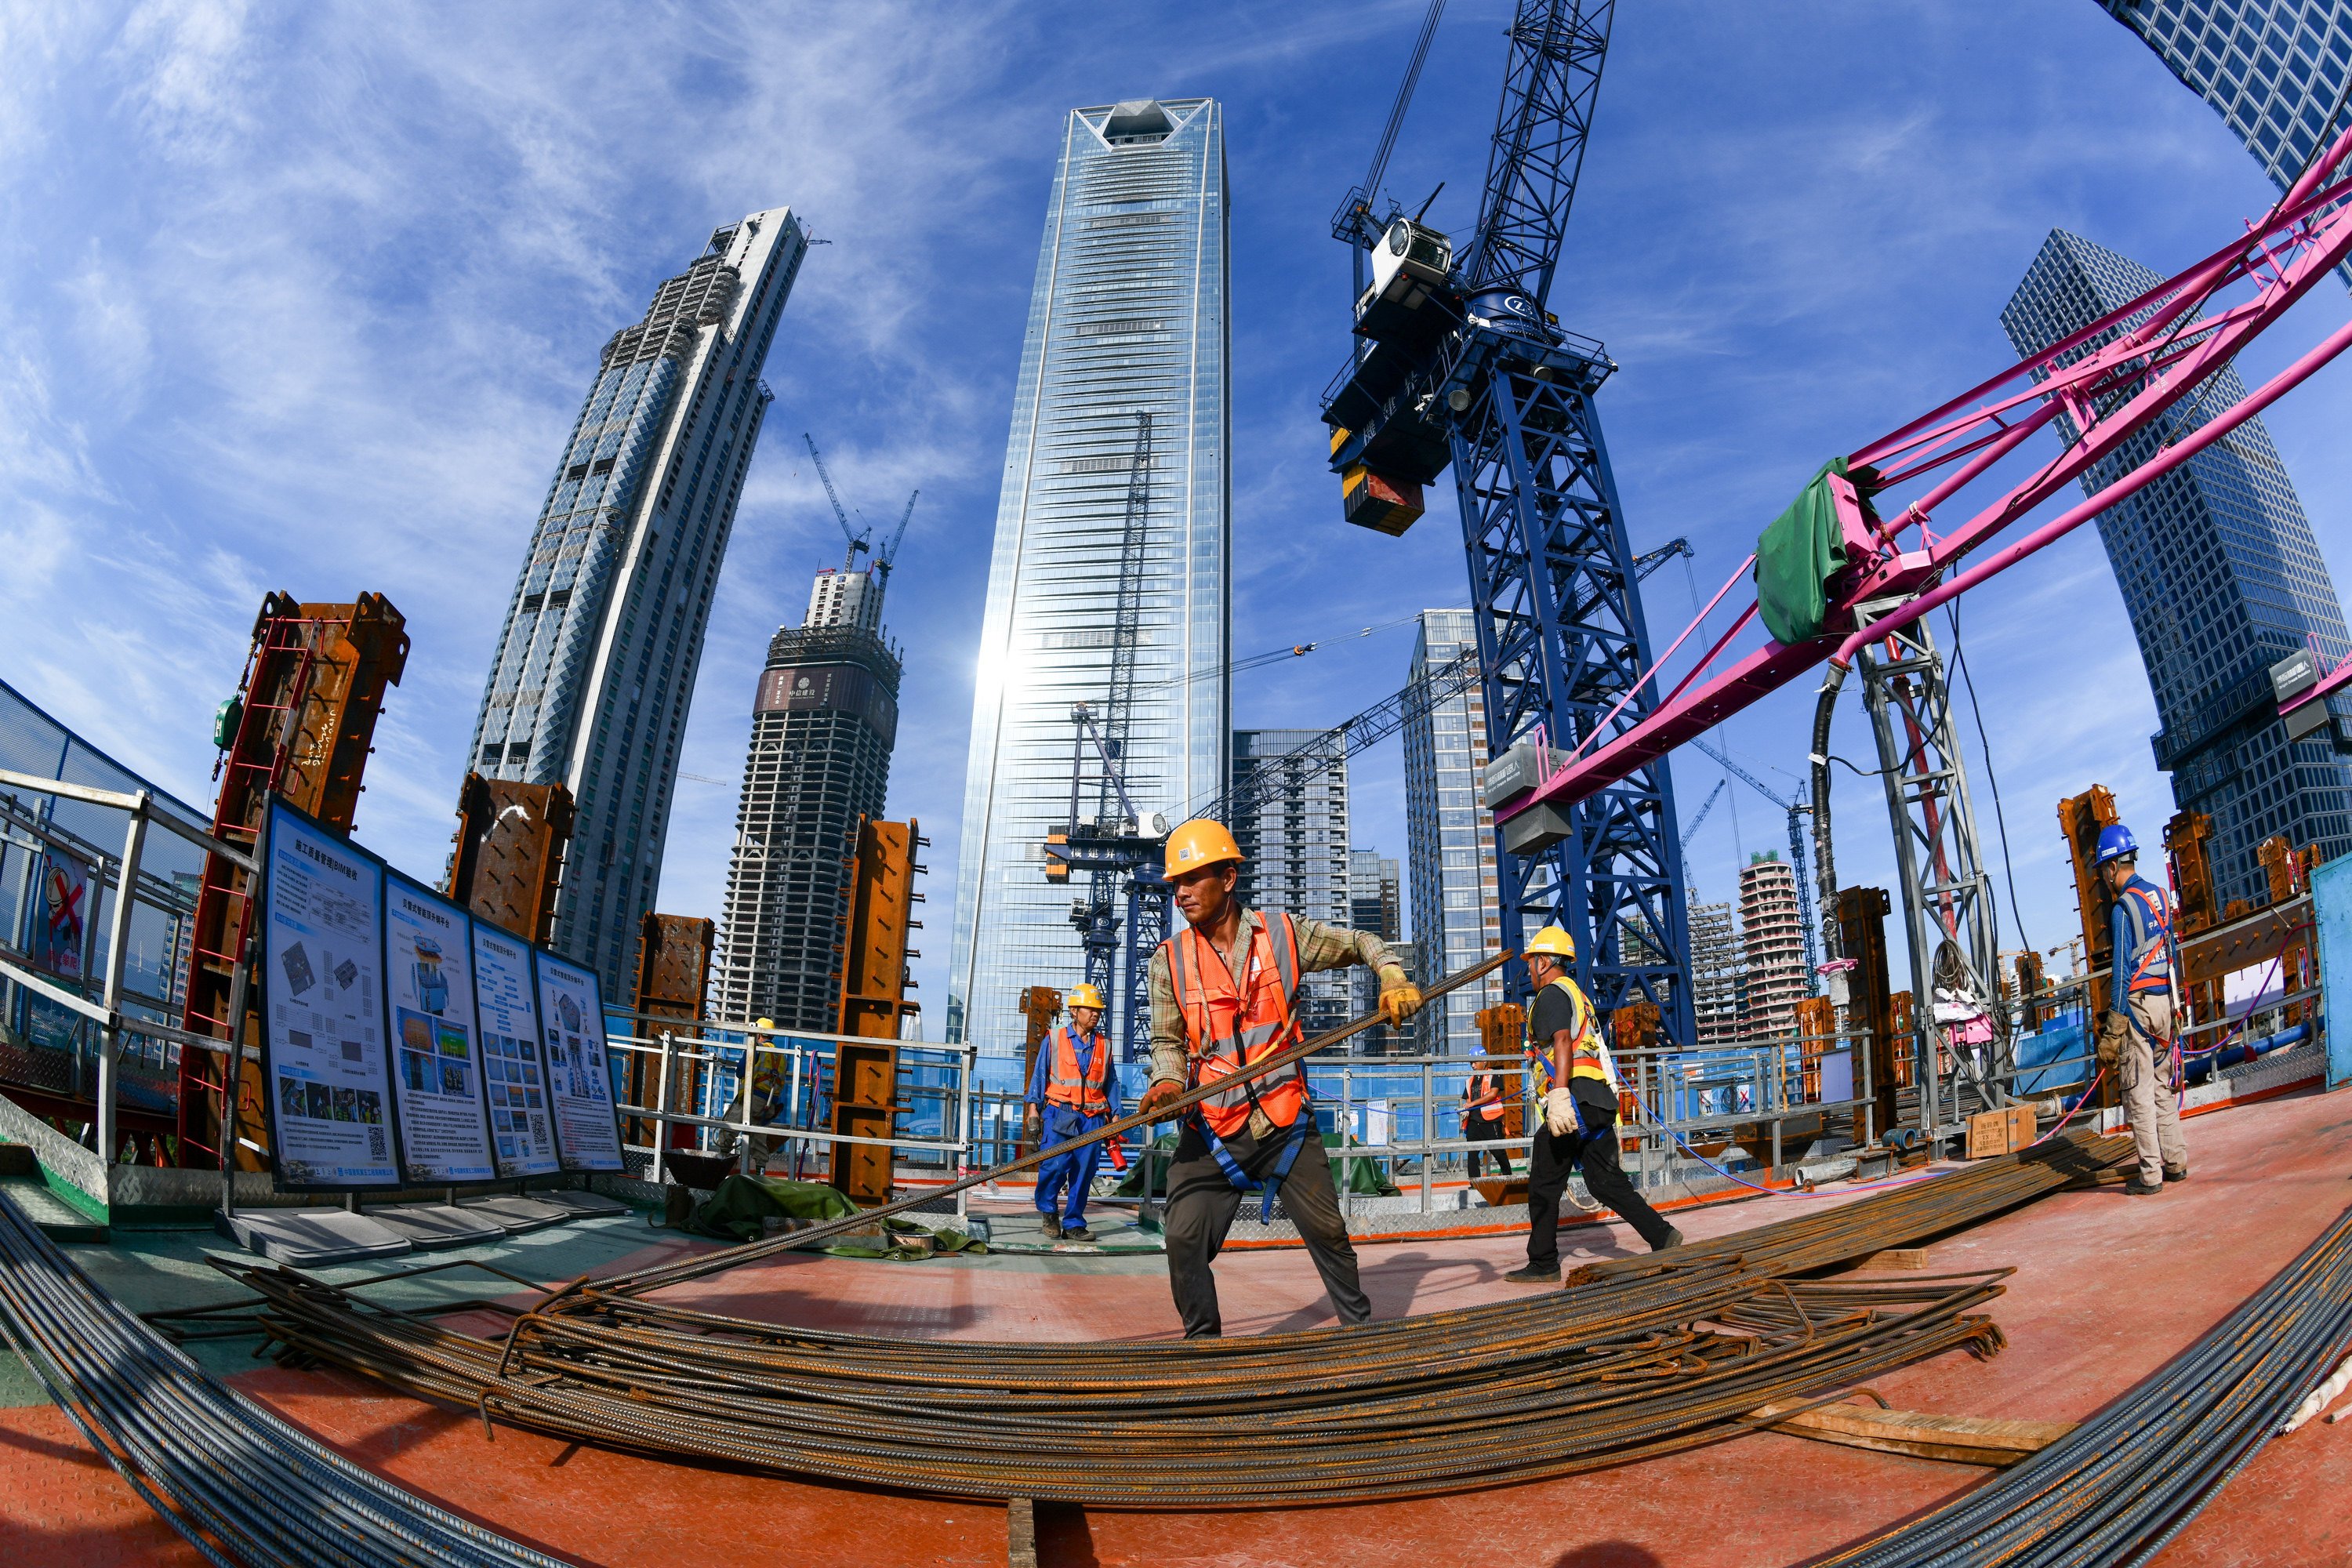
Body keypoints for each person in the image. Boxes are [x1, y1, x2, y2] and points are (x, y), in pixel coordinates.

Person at [1132, 819, 1422, 1338]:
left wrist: (1392, 974)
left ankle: (1361, 1337)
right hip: (1214, 1128)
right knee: (1182, 1236)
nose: (1180, 892)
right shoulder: (1167, 962)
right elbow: (1167, 1044)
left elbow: (1360, 941)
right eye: (1176, 883)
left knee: (1329, 1233)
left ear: (1227, 878)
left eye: (1192, 879)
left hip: (1284, 1120)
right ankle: (1205, 1349)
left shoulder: (1284, 936)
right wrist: (1168, 1085)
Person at [1504, 924, 1681, 1283]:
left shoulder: (1553, 994)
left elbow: (1563, 1041)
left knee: (1543, 1182)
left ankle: (1543, 1263)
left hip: (1574, 1099)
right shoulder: (1577, 994)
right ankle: (1662, 1235)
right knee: (1604, 1182)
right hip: (1598, 1101)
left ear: (1544, 962)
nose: (1530, 972)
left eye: (1532, 962)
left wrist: (1560, 1094)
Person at [2094, 824, 2187, 1196]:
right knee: (2164, 1088)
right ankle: (2176, 1162)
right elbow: (2173, 955)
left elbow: (2120, 973)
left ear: (2113, 866)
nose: (2104, 878)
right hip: (2167, 1004)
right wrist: (2177, 1006)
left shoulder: (2122, 910)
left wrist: (2114, 1030)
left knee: (2139, 1093)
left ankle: (2151, 1176)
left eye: (2104, 870)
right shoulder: (2161, 897)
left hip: (2138, 1012)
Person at [1023, 982, 1120, 1241]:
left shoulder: (1104, 1045)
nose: (1096, 1013)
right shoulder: (1054, 1039)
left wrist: (1117, 1113)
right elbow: (1040, 1076)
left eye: (1098, 1009)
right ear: (1075, 1011)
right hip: (1060, 1114)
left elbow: (1111, 1083)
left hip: (1093, 1118)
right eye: (1090, 1009)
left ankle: (1074, 1222)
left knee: (1084, 1172)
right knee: (1054, 1167)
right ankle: (1048, 1212)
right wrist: (1034, 1109)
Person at [1462, 1059, 1513, 1178]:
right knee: (1472, 1153)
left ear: (1484, 1061)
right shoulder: (1469, 1080)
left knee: (1498, 1151)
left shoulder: (1493, 1075)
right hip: (1474, 1121)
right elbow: (1468, 1100)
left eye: (1475, 1062)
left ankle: (1508, 1176)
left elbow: (1492, 1094)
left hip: (1491, 1120)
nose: (1473, 1065)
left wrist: (1472, 1104)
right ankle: (1474, 1183)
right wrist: (1466, 1109)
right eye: (1471, 1063)